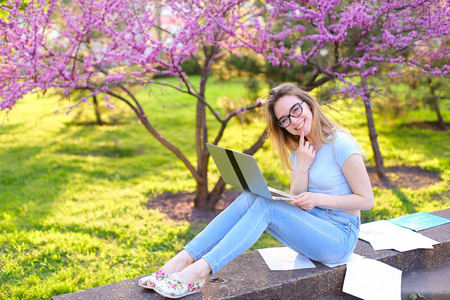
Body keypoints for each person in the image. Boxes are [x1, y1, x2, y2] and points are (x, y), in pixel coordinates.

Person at [138, 83, 374, 299]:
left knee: (266, 207)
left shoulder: (340, 143)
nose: (293, 121)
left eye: (296, 110)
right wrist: (302, 165)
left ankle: (199, 271)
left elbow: (366, 200)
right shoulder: (300, 146)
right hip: (314, 226)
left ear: (308, 104)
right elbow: (298, 196)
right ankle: (183, 260)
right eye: (284, 119)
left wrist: (318, 198)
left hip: (340, 236)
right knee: (252, 195)